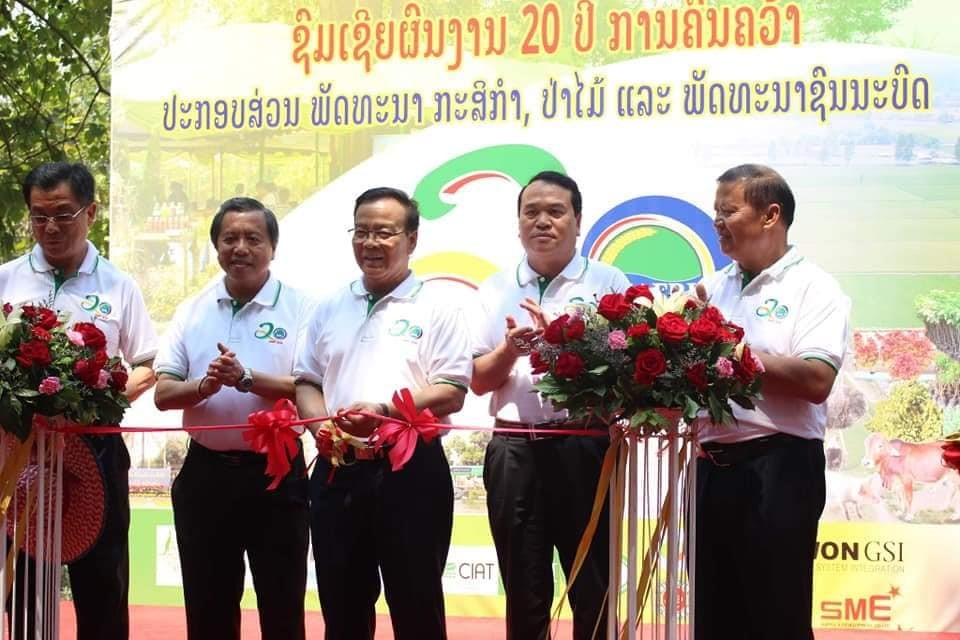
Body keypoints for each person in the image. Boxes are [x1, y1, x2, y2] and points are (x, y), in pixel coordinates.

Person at [294, 187, 472, 640]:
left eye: (385, 233)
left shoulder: (439, 307)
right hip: (337, 469)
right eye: (362, 231)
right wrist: (320, 427)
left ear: (412, 239)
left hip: (410, 471)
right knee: (341, 608)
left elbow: (452, 391)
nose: (371, 243)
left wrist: (385, 411)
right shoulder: (329, 307)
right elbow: (307, 381)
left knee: (416, 607)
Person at [0, 161, 158, 640]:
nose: (50, 227)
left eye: (63, 214)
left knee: (103, 582)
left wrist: (99, 400)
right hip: (20, 451)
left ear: (90, 212)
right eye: (39, 216)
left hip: (96, 450)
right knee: (24, 586)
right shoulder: (6, 279)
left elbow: (148, 364)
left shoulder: (118, 285)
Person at [470, 171, 630, 640]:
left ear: (577, 221)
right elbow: (477, 380)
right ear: (518, 223)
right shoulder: (494, 288)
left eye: (555, 211)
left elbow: (624, 376)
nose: (542, 221)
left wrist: (561, 348)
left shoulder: (608, 282)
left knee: (593, 583)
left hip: (584, 444)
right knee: (523, 585)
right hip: (513, 447)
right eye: (531, 212)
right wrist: (510, 350)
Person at [694, 164, 849, 640]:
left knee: (776, 617)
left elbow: (816, 379)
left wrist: (733, 351)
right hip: (709, 469)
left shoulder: (815, 287)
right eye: (715, 211)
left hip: (779, 467)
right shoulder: (712, 288)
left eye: (728, 211)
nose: (718, 221)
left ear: (770, 215)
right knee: (713, 618)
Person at [153, 197, 314, 640]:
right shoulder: (193, 310)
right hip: (205, 476)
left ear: (273, 247)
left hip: (277, 475)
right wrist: (205, 386)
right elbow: (164, 394)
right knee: (208, 609)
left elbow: (310, 387)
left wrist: (246, 379)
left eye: (253, 238)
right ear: (217, 247)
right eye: (230, 238)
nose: (240, 248)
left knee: (282, 607)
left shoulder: (302, 309)